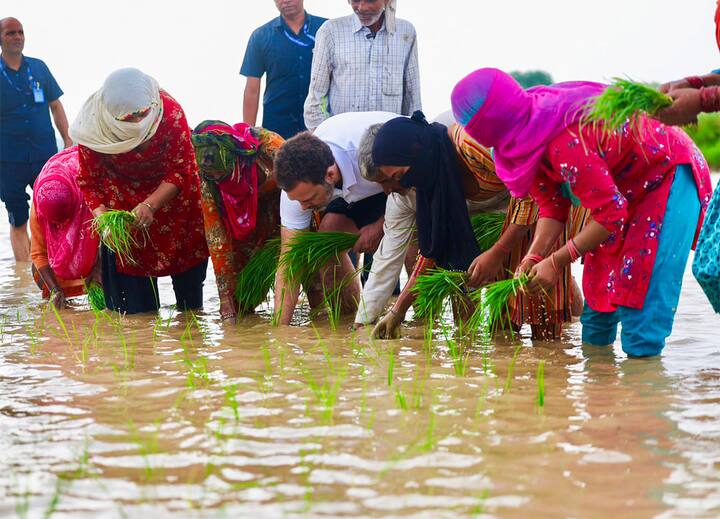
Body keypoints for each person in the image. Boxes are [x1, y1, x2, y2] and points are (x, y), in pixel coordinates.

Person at [451, 68, 713, 357]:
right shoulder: (521, 145)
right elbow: (552, 207)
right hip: (619, 187)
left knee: (641, 307)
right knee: (597, 312)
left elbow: (611, 215)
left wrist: (558, 260)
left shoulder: (563, 137)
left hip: (667, 172)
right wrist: (534, 257)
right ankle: (599, 395)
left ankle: (644, 388)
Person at [360, 112, 588, 340]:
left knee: (543, 315)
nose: (395, 187)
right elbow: (433, 248)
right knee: (504, 324)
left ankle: (571, 355)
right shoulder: (433, 182)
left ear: (415, 152)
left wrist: (498, 252)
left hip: (552, 194)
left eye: (399, 176)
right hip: (513, 211)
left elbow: (530, 194)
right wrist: (397, 311)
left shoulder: (471, 142)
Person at [70, 68, 209, 315]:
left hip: (174, 205)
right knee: (137, 316)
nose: (137, 122)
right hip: (124, 214)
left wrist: (150, 204)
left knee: (191, 312)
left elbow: (183, 168)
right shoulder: (94, 126)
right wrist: (104, 220)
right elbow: (89, 181)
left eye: (142, 114)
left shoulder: (170, 112)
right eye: (128, 118)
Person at [273, 111, 396, 324]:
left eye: (308, 199)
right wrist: (279, 331)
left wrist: (380, 226)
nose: (303, 208)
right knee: (326, 239)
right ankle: (349, 324)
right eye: (298, 201)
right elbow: (289, 262)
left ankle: (421, 327)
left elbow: (416, 197)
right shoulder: (294, 191)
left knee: (414, 244)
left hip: (400, 180)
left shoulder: (368, 152)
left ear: (330, 175)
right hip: (357, 190)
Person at [191, 121, 284, 320]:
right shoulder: (207, 180)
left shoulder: (267, 145)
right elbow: (216, 238)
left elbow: (301, 179)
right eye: (211, 174)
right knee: (240, 300)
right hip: (242, 223)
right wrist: (224, 300)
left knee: (311, 277)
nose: (217, 178)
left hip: (284, 209)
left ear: (234, 158)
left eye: (220, 171)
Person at [0, 17, 72, 262]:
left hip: (44, 155)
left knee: (52, 213)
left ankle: (54, 270)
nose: (17, 36)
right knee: (18, 217)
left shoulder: (38, 67)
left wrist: (68, 141)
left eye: (20, 32)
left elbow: (56, 105)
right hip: (8, 159)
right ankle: (26, 279)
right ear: (0, 38)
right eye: (10, 33)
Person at [303, 0, 420, 130]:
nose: (362, 7)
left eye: (370, 0)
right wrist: (327, 140)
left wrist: (412, 138)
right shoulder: (330, 31)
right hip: (344, 141)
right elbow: (316, 98)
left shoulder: (406, 32)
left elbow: (413, 99)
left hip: (389, 143)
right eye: (355, 0)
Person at [241, 1, 326, 139]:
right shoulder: (261, 36)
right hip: (277, 129)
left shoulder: (325, 30)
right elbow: (252, 89)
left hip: (320, 125)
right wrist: (246, 137)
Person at [29, 146, 100, 308]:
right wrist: (55, 290)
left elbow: (110, 238)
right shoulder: (40, 203)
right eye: (54, 224)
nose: (60, 227)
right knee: (39, 271)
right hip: (60, 267)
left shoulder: (90, 193)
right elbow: (38, 253)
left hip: (94, 254)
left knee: (109, 277)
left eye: (64, 221)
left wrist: (98, 269)